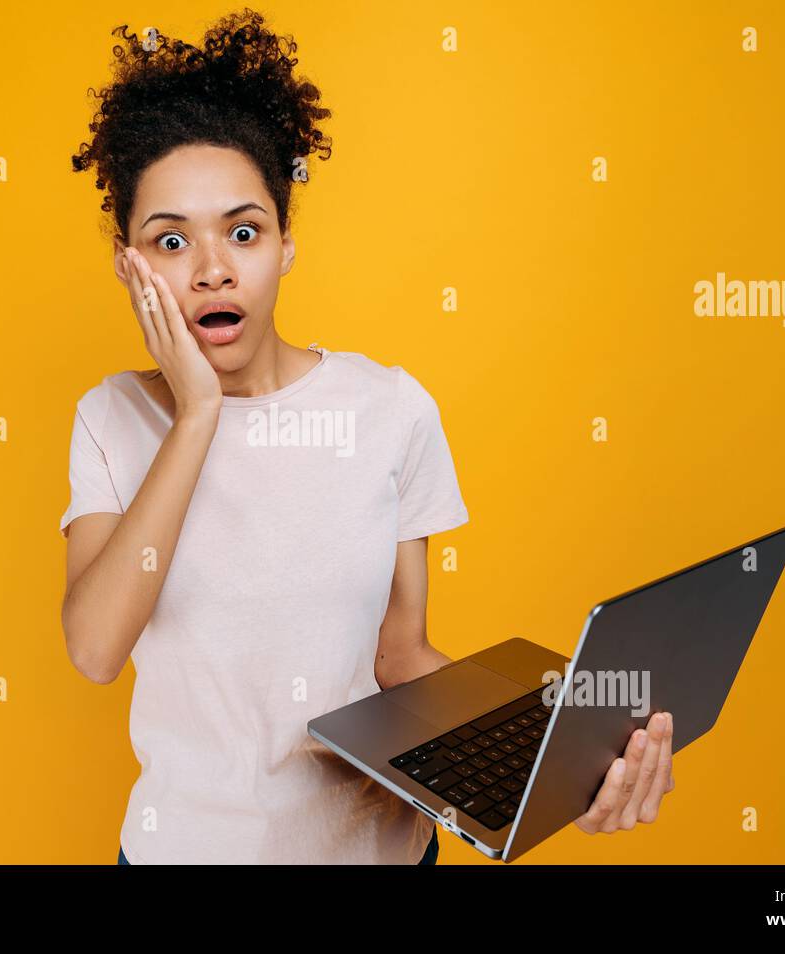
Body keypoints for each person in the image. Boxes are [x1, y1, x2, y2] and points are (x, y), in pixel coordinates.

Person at [61, 8, 674, 865]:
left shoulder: (388, 410)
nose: (212, 268)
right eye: (170, 241)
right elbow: (94, 648)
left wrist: (568, 750)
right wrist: (198, 413)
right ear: (130, 263)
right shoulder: (113, 419)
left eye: (244, 231)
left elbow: (400, 655)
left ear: (285, 247)